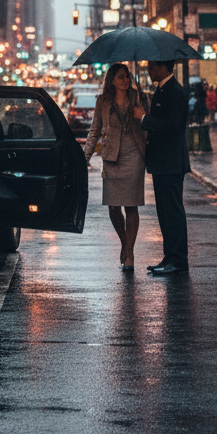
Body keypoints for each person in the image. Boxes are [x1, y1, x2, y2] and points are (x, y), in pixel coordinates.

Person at [83, 63, 147, 270]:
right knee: (113, 206)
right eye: (121, 77)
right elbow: (94, 131)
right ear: (112, 80)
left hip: (134, 155)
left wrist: (142, 115)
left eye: (127, 76)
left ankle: (130, 253)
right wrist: (86, 156)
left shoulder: (138, 97)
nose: (125, 80)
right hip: (111, 157)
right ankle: (124, 243)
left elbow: (148, 125)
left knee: (131, 205)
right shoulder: (103, 101)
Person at [134, 59, 190, 276]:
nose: (148, 70)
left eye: (151, 67)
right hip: (161, 163)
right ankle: (170, 257)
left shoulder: (174, 91)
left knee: (173, 212)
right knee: (164, 213)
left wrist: (145, 118)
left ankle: (178, 259)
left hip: (171, 162)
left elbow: (174, 126)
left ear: (163, 67)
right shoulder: (161, 90)